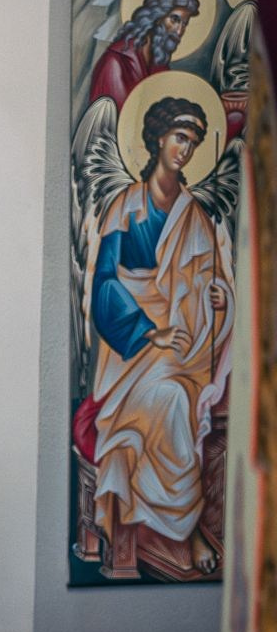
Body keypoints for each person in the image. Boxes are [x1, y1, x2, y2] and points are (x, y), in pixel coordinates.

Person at [83, 95, 233, 572]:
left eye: (192, 142)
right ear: (157, 139)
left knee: (176, 396)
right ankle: (184, 534)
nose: (185, 150)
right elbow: (105, 282)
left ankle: (180, 528)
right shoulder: (125, 207)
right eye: (179, 138)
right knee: (167, 401)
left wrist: (220, 302)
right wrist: (149, 332)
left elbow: (216, 283)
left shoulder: (197, 218)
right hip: (133, 349)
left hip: (186, 346)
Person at [88, 0, 201, 108]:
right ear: (157, 16)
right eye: (174, 20)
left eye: (184, 24)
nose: (179, 31)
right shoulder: (115, 62)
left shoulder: (159, 63)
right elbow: (120, 116)